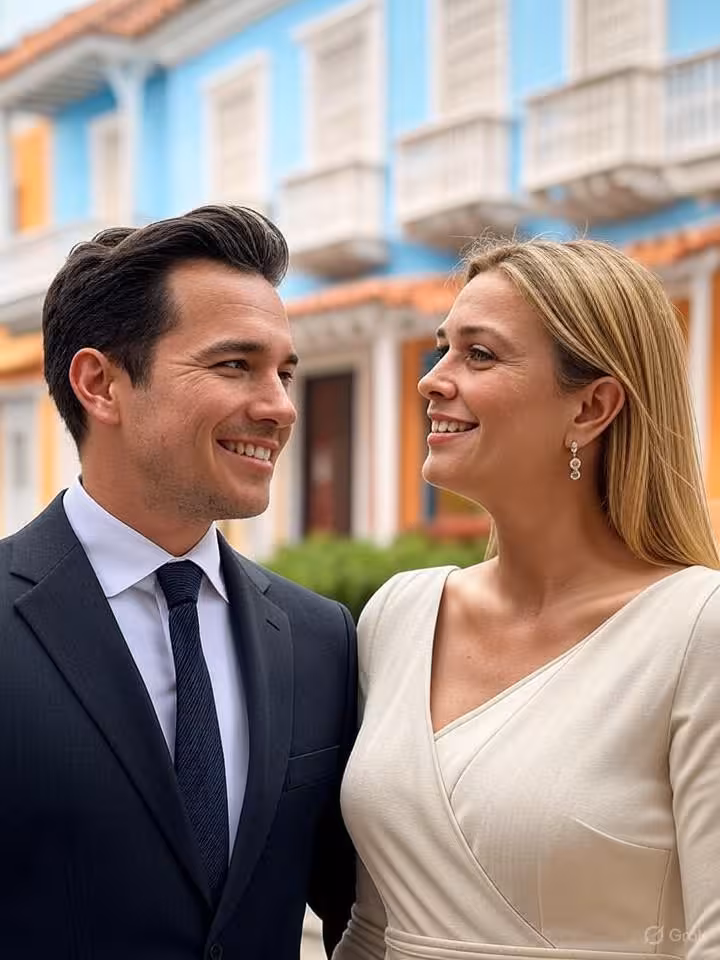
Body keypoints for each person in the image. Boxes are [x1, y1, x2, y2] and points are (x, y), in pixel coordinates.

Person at [333, 237, 720, 960]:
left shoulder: (698, 629)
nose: (432, 379)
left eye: (479, 355)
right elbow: (373, 926)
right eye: (443, 347)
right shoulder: (398, 615)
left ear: (592, 407)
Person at [0, 205, 356, 960]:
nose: (281, 407)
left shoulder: (321, 637)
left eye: (284, 371)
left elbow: (359, 911)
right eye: (235, 365)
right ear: (101, 384)